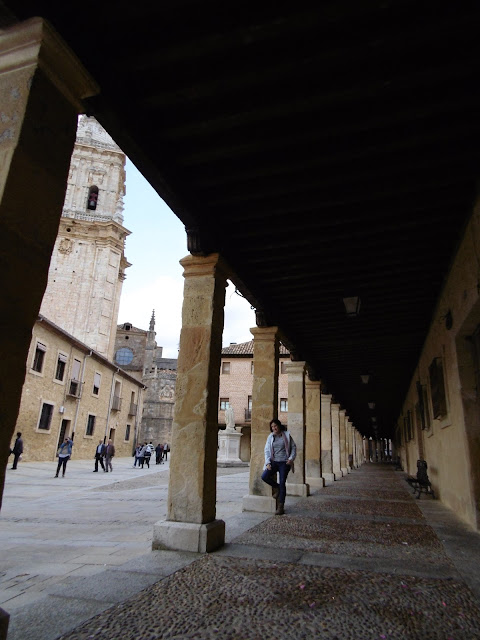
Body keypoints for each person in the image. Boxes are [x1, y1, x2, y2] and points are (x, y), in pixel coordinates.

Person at [261, 418, 296, 515]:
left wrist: (291, 458)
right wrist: (267, 462)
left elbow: (293, 447)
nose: (274, 428)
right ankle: (277, 488)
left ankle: (281, 507)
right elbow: (267, 450)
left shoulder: (287, 435)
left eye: (275, 426)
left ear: (279, 426)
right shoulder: (270, 437)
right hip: (274, 462)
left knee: (282, 482)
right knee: (264, 476)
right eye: (272, 427)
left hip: (284, 463)